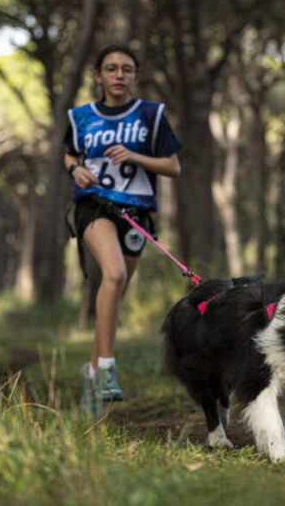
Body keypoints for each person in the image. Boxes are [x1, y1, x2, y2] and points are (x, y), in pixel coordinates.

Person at [64, 43, 182, 417]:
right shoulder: (80, 116)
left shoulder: (151, 114)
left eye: (126, 69)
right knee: (112, 274)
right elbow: (70, 152)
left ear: (135, 76)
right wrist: (74, 169)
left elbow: (173, 167)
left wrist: (134, 156)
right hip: (93, 205)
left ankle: (92, 373)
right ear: (97, 75)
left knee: (114, 292)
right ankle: (107, 370)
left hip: (135, 212)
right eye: (111, 69)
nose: (119, 75)